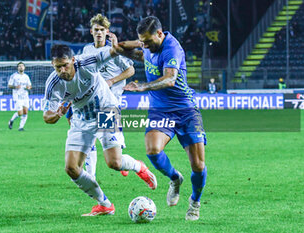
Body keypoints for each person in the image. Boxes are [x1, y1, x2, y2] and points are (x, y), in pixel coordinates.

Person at [43, 44, 157, 216]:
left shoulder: (86, 63)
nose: (62, 70)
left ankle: (138, 167)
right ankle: (104, 204)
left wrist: (138, 43)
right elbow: (47, 116)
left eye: (65, 65)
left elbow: (113, 51)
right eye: (58, 67)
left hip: (106, 110)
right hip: (81, 119)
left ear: (73, 60)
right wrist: (58, 114)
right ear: (53, 65)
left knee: (114, 163)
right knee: (71, 168)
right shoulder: (53, 84)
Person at [111, 16, 207, 221]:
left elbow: (171, 78)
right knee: (152, 150)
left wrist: (143, 86)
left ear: (160, 34)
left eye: (147, 41)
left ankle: (195, 202)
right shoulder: (149, 45)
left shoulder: (172, 48)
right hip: (160, 110)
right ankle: (175, 178)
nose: (144, 45)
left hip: (186, 109)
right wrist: (118, 47)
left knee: (198, 165)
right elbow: (140, 53)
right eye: (141, 41)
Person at [66, 14, 135, 178]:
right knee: (84, 132)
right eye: (96, 30)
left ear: (107, 32)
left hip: (109, 102)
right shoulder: (87, 50)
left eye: (102, 30)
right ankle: (91, 175)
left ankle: (122, 160)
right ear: (91, 31)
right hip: (91, 101)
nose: (99, 33)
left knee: (113, 149)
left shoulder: (113, 51)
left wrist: (112, 80)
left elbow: (130, 70)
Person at [8, 62, 32, 131]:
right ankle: (11, 120)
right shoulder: (14, 76)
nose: (21, 67)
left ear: (24, 68)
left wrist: (28, 87)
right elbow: (9, 85)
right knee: (20, 113)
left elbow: (30, 86)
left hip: (25, 96)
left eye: (22, 66)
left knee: (25, 112)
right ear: (17, 68)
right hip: (17, 96)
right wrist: (15, 86)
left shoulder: (26, 76)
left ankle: (21, 127)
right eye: (19, 66)